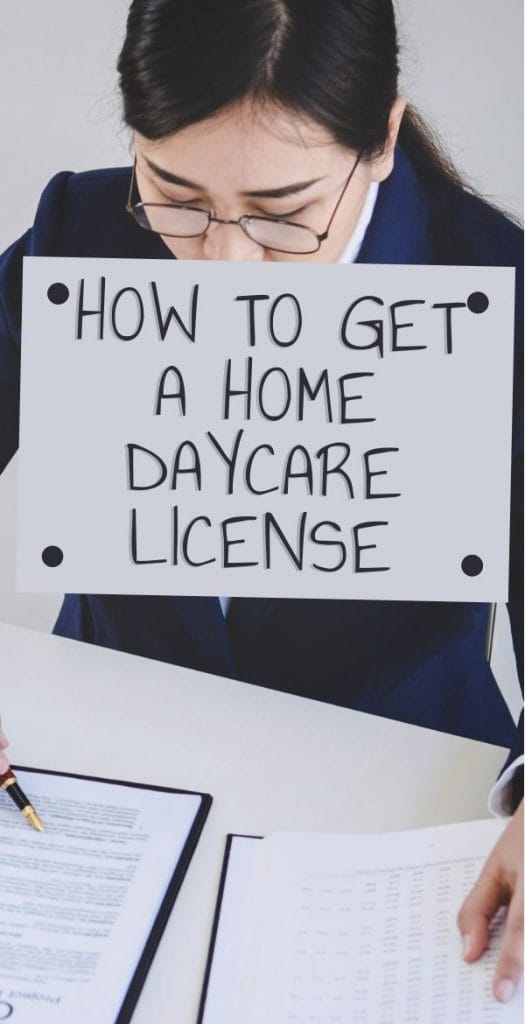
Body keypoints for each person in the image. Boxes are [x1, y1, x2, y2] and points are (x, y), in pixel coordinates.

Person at [0, 0, 522, 1003]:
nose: (223, 268)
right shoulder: (82, 230)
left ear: (378, 143)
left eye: (284, 213)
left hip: (398, 778)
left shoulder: (497, 279)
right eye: (176, 197)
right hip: (113, 749)